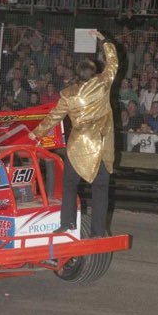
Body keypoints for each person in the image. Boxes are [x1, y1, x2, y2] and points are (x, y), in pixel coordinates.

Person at [29, 30, 118, 237]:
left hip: (78, 146)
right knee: (101, 189)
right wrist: (104, 39)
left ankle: (67, 223)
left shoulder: (68, 95)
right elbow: (113, 61)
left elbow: (53, 117)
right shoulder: (103, 83)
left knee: (69, 184)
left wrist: (36, 134)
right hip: (102, 145)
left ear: (77, 75)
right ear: (95, 72)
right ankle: (98, 232)